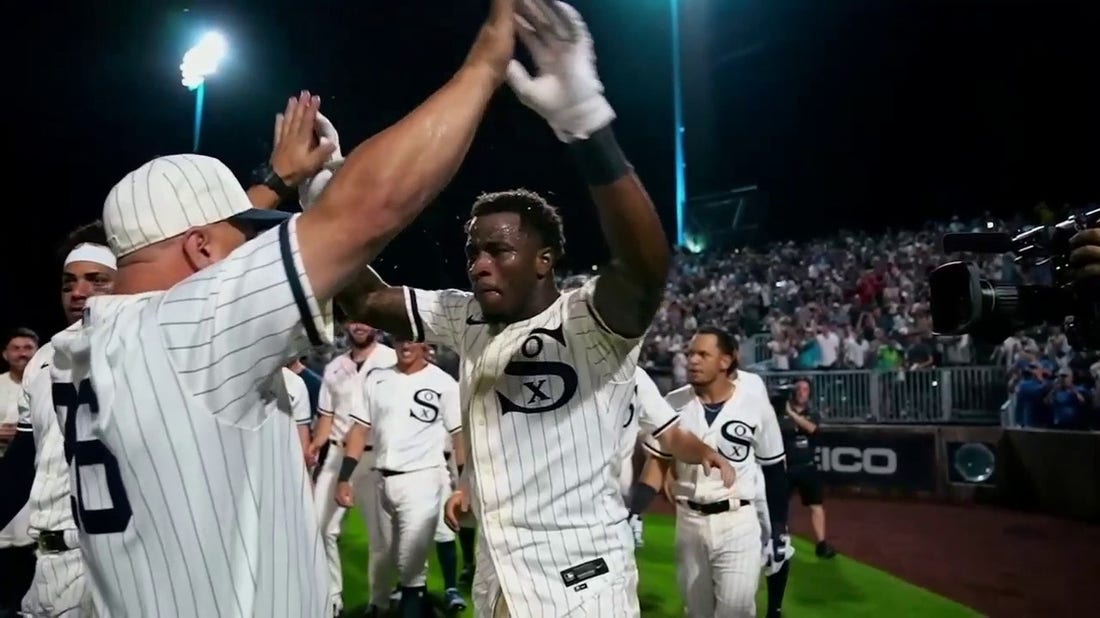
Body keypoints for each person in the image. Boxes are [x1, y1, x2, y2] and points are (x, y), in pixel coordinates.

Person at [45, 2, 518, 614]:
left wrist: (280, 180)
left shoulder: (76, 346)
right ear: (200, 248)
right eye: (243, 238)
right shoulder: (187, 327)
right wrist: (486, 62)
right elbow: (371, 208)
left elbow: (191, 249)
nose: (255, 248)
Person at [344, 3, 672, 613]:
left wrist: (586, 123)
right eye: (473, 252)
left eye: (498, 249)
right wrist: (329, 197)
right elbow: (362, 297)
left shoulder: (590, 321)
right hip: (498, 579)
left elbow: (646, 269)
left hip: (582, 586)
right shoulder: (465, 316)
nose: (479, 264)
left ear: (544, 260)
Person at [638, 327, 789, 617]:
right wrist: (635, 510)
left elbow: (774, 470)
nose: (693, 360)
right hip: (689, 522)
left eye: (703, 354)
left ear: (725, 361)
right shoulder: (672, 404)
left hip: (738, 521)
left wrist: (779, 531)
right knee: (697, 612)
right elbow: (657, 462)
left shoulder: (755, 407)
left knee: (735, 610)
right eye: (690, 353)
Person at [335, 338, 465, 618]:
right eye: (399, 337)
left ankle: (421, 601)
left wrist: (463, 485)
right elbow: (359, 428)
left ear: (425, 345)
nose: (405, 343)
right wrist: (344, 477)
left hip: (423, 479)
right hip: (383, 480)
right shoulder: (377, 378)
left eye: (412, 338)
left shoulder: (443, 384)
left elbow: (459, 436)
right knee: (394, 558)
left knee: (410, 570)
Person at [307, 321, 396, 615]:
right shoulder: (334, 367)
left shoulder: (391, 360)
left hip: (375, 458)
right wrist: (314, 445)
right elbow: (326, 418)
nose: (359, 326)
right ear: (347, 325)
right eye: (354, 320)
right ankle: (333, 598)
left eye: (365, 319)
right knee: (320, 528)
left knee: (380, 536)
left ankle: (379, 601)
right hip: (336, 455)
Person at [0, 327, 39, 616]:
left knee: (29, 548)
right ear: (5, 354)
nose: (23, 353)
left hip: (35, 478)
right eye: (17, 348)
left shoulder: (46, 383)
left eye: (29, 347)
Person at [779, 377, 837, 559]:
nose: (801, 392)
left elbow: (812, 429)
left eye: (805, 389)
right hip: (785, 467)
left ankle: (821, 543)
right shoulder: (779, 414)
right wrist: (785, 411)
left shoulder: (813, 413)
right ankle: (780, 542)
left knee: (816, 505)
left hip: (808, 467)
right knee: (781, 506)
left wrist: (792, 414)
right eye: (798, 388)